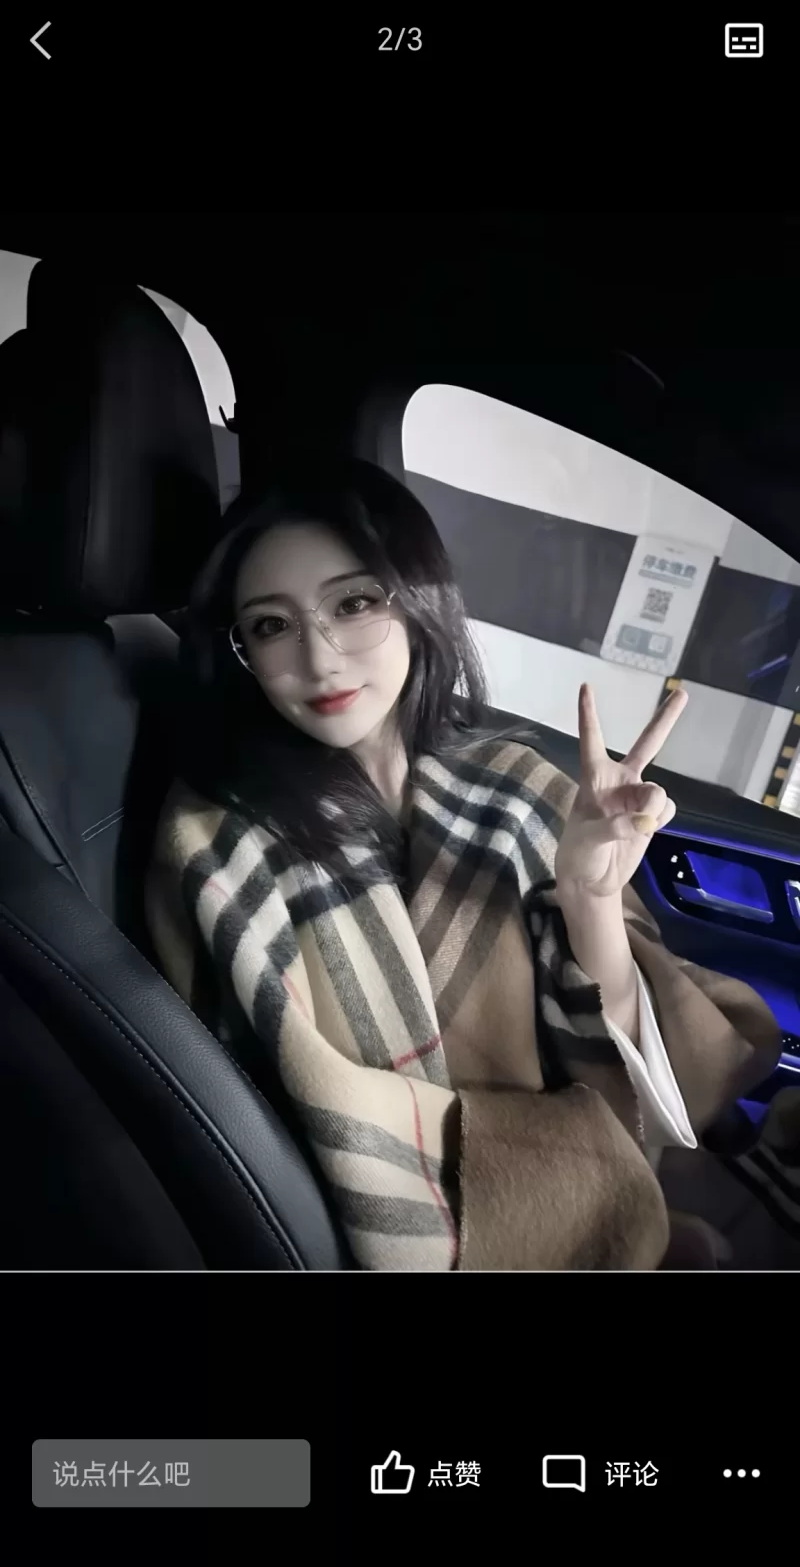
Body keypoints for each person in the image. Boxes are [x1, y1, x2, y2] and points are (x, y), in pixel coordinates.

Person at [146, 455, 800, 1271]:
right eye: (272, 626)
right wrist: (577, 1180)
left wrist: (590, 899)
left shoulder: (514, 780)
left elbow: (654, 1099)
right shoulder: (220, 838)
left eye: (353, 603)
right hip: (500, 1228)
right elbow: (272, 1124)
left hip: (647, 1170)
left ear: (418, 600)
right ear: (238, 646)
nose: (320, 658)